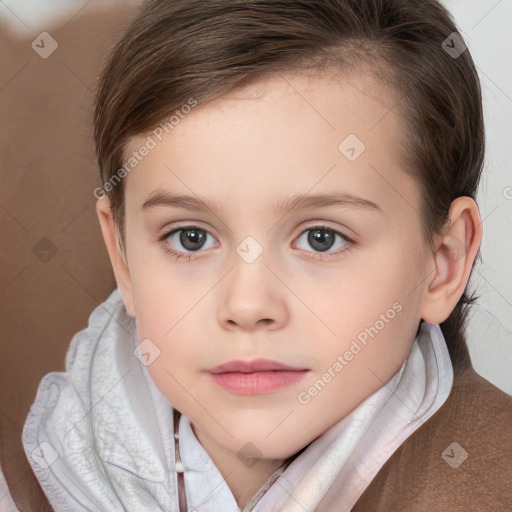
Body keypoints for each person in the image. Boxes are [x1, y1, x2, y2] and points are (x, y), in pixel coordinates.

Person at [20, 0, 512, 510]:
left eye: (321, 238)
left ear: (443, 263)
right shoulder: (25, 480)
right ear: (122, 258)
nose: (248, 305)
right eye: (190, 237)